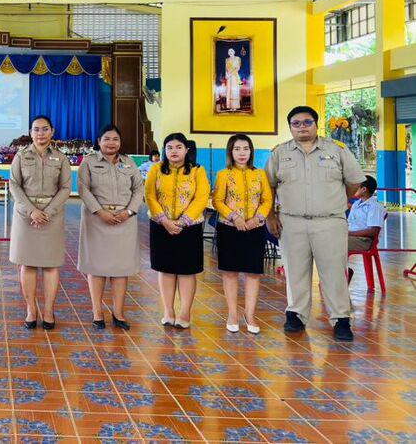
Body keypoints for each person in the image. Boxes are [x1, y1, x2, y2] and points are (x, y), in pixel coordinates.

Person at [265, 106, 365, 342]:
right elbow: (268, 186)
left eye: (307, 122)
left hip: (329, 222)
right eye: (296, 123)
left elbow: (353, 183)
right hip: (291, 222)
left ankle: (340, 319)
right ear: (290, 127)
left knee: (334, 272)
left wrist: (334, 201)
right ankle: (296, 315)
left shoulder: (337, 150)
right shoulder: (279, 153)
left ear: (316, 124)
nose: (302, 127)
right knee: (295, 270)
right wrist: (270, 216)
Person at [77, 124, 144, 330]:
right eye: (106, 139)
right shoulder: (89, 162)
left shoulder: (129, 163)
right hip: (97, 220)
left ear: (120, 142)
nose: (111, 143)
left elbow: (139, 188)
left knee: (120, 269)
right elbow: (83, 189)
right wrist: (100, 212)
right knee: (96, 268)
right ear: (99, 141)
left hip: (124, 221)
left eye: (115, 139)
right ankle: (97, 312)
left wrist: (129, 212)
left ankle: (118, 313)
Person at [8, 116, 72, 330]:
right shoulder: (21, 155)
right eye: (36, 129)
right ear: (30, 132)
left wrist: (47, 212)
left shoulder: (61, 158)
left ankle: (48, 310)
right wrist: (32, 211)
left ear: (52, 131)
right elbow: (14, 185)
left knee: (51, 265)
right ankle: (31, 309)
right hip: (26, 216)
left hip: (52, 216)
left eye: (45, 129)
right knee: (27, 264)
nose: (40, 133)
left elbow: (65, 188)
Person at [144, 132, 209, 329]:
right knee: (166, 269)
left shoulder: (197, 170)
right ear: (164, 150)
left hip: (189, 227)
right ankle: (168, 311)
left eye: (178, 147)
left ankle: (185, 312)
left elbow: (202, 196)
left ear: (186, 150)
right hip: (161, 225)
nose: (174, 151)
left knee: (187, 271)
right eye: (169, 147)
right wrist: (164, 220)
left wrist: (183, 221)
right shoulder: (156, 169)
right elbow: (149, 194)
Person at [212, 134, 272, 334]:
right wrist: (235, 218)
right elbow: (217, 200)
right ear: (230, 152)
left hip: (255, 229)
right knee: (230, 272)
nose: (242, 153)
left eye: (246, 148)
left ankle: (250, 314)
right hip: (229, 228)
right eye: (237, 149)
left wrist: (258, 218)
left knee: (253, 273)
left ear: (251, 151)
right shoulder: (223, 174)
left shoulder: (260, 174)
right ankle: (232, 314)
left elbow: (267, 200)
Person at [347, 175, 384, 253]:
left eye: (355, 187)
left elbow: (373, 231)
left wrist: (350, 233)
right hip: (351, 237)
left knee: (333, 243)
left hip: (364, 241)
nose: (353, 189)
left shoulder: (374, 207)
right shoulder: (356, 204)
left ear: (364, 189)